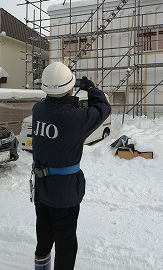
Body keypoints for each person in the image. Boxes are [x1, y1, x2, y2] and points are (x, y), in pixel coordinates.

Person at [31, 61, 111, 270]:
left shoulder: (38, 110)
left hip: (42, 188)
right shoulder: (76, 119)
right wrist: (92, 89)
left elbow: (55, 110)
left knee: (44, 237)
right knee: (66, 244)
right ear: (69, 87)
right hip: (65, 192)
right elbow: (103, 107)